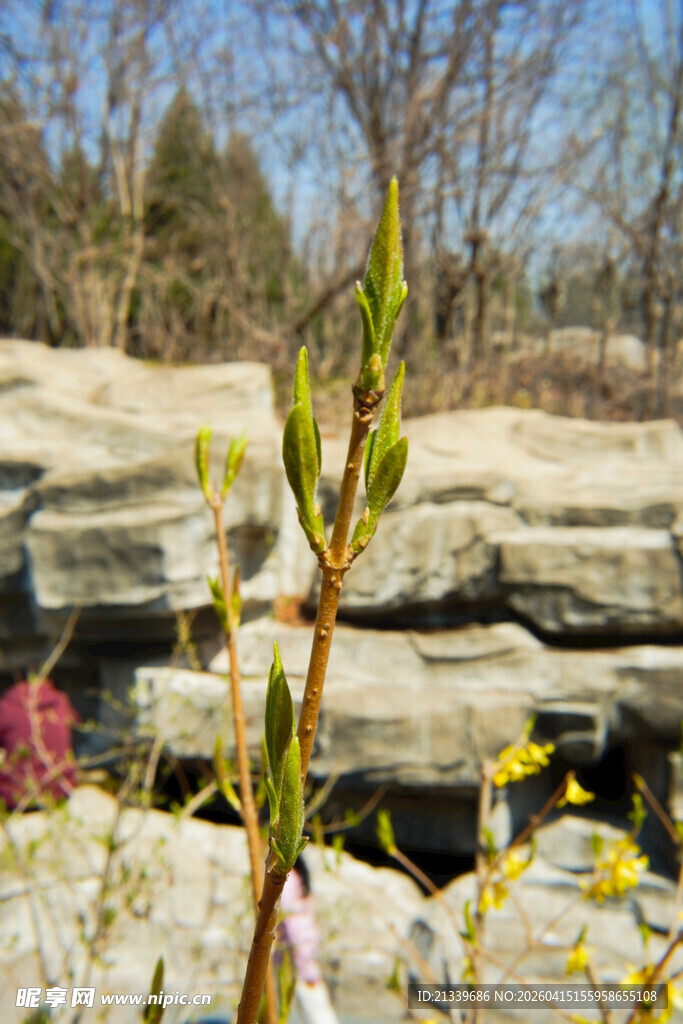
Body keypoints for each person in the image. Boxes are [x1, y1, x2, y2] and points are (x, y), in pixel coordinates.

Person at [0, 675, 79, 810]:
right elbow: (75, 724)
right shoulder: (61, 701)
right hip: (60, 791)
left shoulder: (5, 707)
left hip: (16, 796)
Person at [277, 856, 340, 1024]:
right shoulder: (296, 877)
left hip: (296, 964)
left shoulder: (287, 880)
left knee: (316, 1013)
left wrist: (304, 967)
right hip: (299, 960)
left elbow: (294, 927)